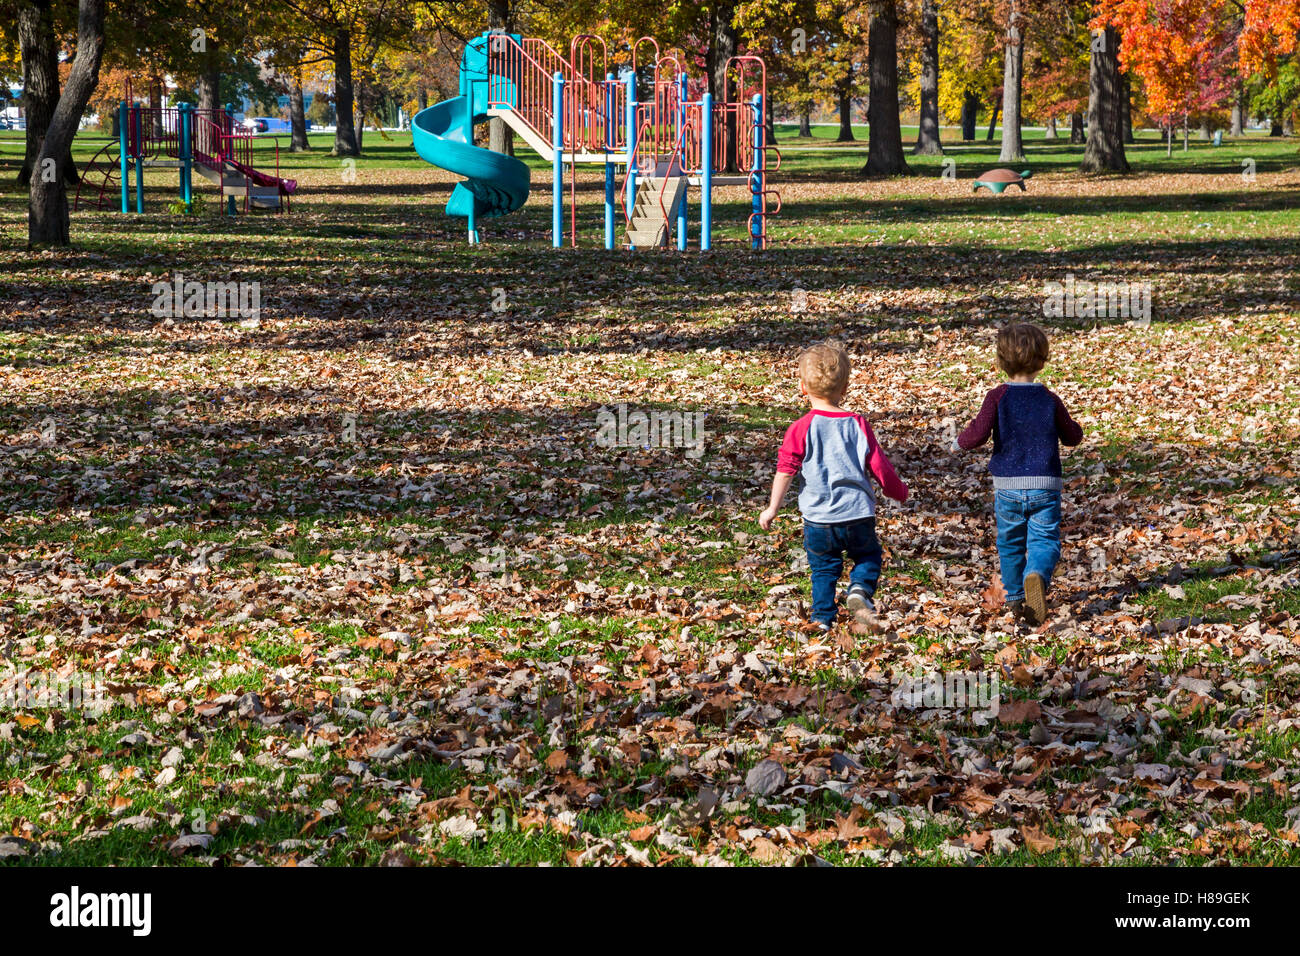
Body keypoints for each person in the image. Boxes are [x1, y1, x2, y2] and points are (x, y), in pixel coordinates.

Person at [759, 341, 908, 631]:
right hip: (857, 515)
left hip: (819, 520)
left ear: (803, 387)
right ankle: (859, 590)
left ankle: (822, 620)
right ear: (845, 388)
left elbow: (785, 471)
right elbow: (879, 467)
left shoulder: (800, 428)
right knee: (868, 555)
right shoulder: (857, 424)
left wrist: (772, 508)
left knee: (823, 570)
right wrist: (897, 490)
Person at [958, 322, 1084, 625]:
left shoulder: (997, 397)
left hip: (1008, 488)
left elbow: (976, 434)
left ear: (1002, 361)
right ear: (1042, 361)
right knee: (1044, 541)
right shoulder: (1049, 399)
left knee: (1010, 542)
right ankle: (1036, 574)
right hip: (1045, 486)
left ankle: (1015, 598)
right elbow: (1072, 436)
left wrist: (958, 440)